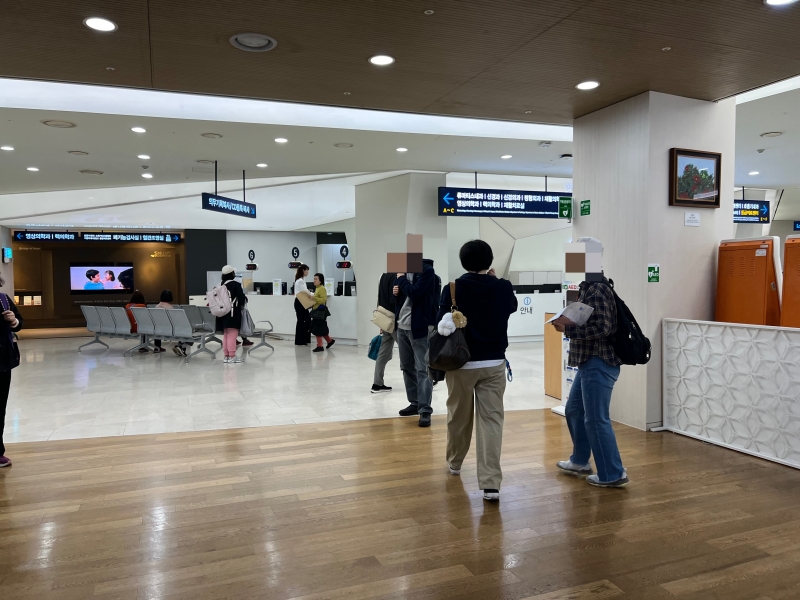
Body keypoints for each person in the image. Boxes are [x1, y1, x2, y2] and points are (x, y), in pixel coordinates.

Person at [437, 240, 517, 501]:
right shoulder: (503, 287)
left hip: (460, 364)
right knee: (492, 421)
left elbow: (439, 324)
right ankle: (491, 484)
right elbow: (511, 307)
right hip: (494, 364)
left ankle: (455, 462)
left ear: (463, 262)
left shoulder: (452, 289)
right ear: (489, 261)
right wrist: (494, 280)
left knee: (458, 415)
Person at [551, 237, 628, 488]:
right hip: (588, 361)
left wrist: (568, 329)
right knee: (574, 410)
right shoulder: (589, 286)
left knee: (596, 419)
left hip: (599, 361)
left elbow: (604, 327)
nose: (571, 259)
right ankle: (580, 460)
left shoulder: (598, 288)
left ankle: (613, 473)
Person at [394, 257, 437, 427]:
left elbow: (416, 293)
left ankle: (425, 409)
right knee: (406, 366)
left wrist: (401, 280)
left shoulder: (427, 271)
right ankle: (415, 402)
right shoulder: (401, 273)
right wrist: (396, 292)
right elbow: (401, 299)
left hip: (419, 327)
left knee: (423, 369)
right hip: (401, 326)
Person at [0, 279, 22, 468]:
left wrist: (14, 321)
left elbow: (19, 323)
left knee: (0, 408)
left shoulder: (4, 299)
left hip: (3, 362)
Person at [371, 272, 397, 393]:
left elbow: (379, 298)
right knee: (409, 351)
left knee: (382, 353)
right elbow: (395, 299)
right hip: (395, 320)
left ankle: (377, 383)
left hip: (384, 319)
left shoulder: (383, 276)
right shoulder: (397, 277)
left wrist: (381, 322)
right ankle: (422, 381)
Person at [215, 265, 247, 364]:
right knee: (233, 334)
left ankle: (226, 356)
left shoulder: (219, 284)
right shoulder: (236, 285)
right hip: (233, 313)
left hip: (221, 313)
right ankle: (232, 356)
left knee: (226, 334)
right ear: (232, 274)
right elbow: (241, 300)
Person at [310, 273, 334, 353]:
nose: (314, 280)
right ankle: (329, 341)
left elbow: (323, 300)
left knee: (318, 329)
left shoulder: (322, 289)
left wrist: (314, 298)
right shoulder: (317, 288)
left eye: (316, 279)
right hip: (316, 311)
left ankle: (319, 346)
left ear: (320, 281)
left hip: (319, 312)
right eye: (314, 279)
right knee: (321, 328)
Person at [293, 264, 312, 346]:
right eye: (307, 270)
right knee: (302, 321)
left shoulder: (301, 280)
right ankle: (300, 341)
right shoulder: (300, 281)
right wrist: (314, 294)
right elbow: (305, 291)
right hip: (300, 302)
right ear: (303, 270)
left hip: (301, 302)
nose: (308, 272)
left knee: (307, 320)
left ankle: (305, 339)